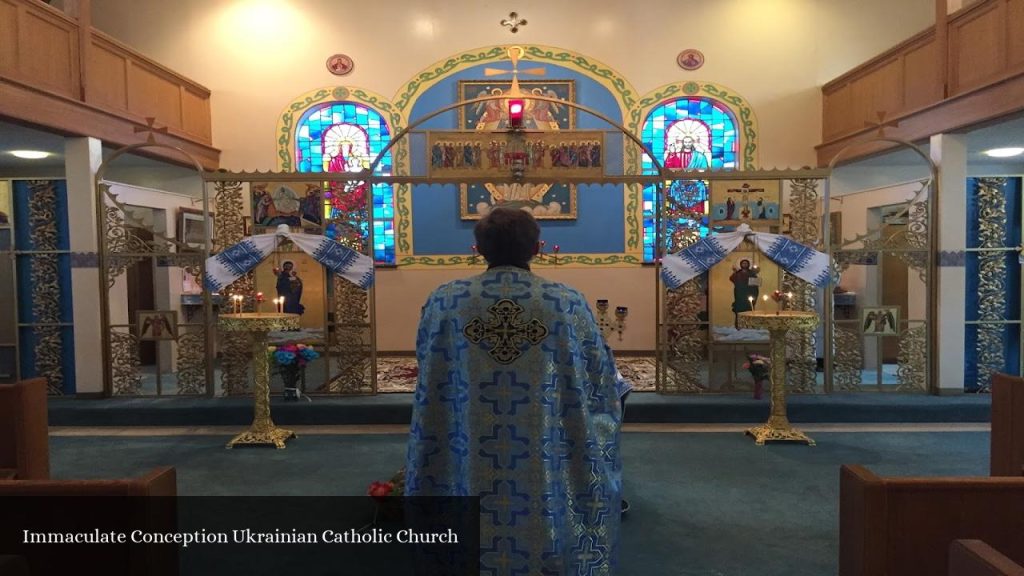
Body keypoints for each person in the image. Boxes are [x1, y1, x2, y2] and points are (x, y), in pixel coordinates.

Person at [405, 208, 626, 575]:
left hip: (467, 439)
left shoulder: (446, 300)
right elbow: (598, 376)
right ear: (537, 248)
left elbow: (428, 365)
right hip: (544, 440)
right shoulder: (564, 301)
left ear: (477, 248)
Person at [730, 259, 759, 329]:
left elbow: (756, 283)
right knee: (739, 310)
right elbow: (732, 278)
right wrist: (734, 272)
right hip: (740, 295)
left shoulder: (751, 273)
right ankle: (738, 326)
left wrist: (755, 273)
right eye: (743, 263)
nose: (744, 265)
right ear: (740, 265)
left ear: (748, 264)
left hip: (749, 294)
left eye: (746, 263)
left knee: (749, 309)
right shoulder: (738, 273)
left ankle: (749, 326)